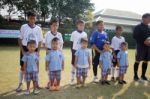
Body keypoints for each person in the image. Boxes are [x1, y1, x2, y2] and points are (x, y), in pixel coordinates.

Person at [16, 11, 43, 92]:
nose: (32, 20)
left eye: (34, 18)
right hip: (25, 48)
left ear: (36, 19)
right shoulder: (23, 27)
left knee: (35, 67)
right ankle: (20, 84)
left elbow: (40, 41)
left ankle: (36, 84)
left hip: (35, 49)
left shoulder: (38, 28)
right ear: (28, 18)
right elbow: (19, 39)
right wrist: (23, 50)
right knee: (23, 67)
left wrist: (38, 51)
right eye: (31, 18)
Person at [43, 19, 63, 89]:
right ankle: (50, 82)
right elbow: (44, 43)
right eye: (53, 25)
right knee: (50, 68)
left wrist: (60, 51)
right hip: (49, 52)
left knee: (56, 67)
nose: (55, 27)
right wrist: (47, 50)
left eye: (56, 25)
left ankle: (55, 82)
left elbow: (61, 44)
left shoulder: (59, 34)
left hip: (57, 53)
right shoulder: (47, 34)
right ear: (50, 26)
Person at [133, 13, 150, 81]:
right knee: (138, 60)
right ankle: (135, 76)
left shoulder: (149, 27)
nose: (149, 20)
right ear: (143, 18)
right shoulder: (138, 27)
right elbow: (135, 36)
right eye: (148, 18)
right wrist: (143, 41)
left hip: (148, 47)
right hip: (140, 46)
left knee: (146, 61)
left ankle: (143, 75)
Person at [70, 20, 87, 85]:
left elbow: (85, 43)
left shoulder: (85, 34)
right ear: (77, 25)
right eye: (80, 25)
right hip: (75, 50)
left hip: (82, 51)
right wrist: (72, 51)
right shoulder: (73, 33)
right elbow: (71, 43)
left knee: (81, 65)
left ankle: (80, 79)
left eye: (83, 25)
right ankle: (72, 79)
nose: (81, 26)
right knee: (74, 65)